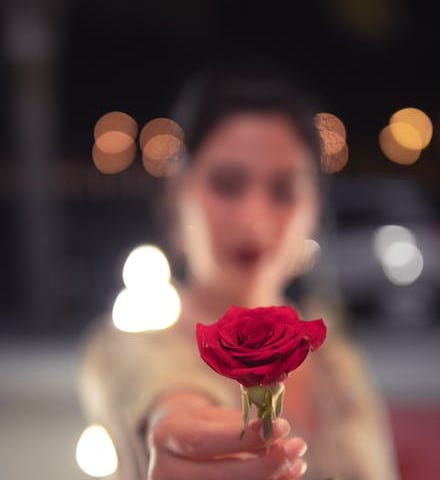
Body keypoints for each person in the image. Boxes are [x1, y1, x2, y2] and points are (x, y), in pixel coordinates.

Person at [77, 68, 399, 480]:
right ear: (180, 192)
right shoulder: (128, 344)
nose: (254, 219)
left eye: (283, 190)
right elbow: (154, 388)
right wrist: (176, 424)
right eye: (228, 184)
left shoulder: (339, 362)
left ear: (314, 207)